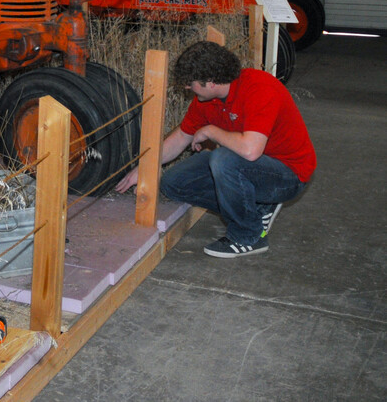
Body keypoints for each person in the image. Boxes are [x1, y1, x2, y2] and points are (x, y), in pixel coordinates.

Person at [115, 40, 315, 258]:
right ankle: (256, 210)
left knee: (223, 160)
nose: (186, 87)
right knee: (174, 183)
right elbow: (182, 136)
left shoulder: (259, 89)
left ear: (210, 81)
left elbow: (251, 150)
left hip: (288, 174)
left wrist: (210, 131)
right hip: (250, 166)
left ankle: (248, 237)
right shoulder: (204, 100)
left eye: (190, 83)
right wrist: (145, 168)